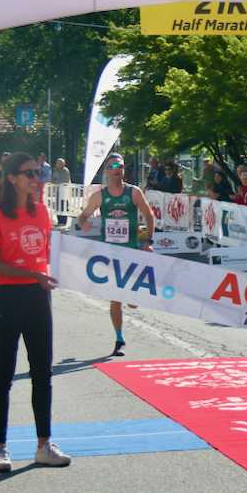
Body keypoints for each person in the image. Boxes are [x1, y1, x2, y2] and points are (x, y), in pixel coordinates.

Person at [0, 152, 70, 473]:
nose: (36, 177)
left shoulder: (43, 212)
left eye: (37, 172)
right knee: (3, 375)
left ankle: (44, 445)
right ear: (12, 178)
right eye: (29, 173)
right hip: (7, 298)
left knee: (42, 374)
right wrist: (34, 275)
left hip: (37, 298)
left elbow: (50, 254)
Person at [76, 153, 156, 356]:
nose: (117, 169)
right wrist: (83, 223)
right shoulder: (100, 196)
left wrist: (148, 241)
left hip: (130, 251)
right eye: (113, 166)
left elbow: (149, 214)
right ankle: (119, 338)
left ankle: (133, 297)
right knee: (115, 298)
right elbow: (83, 215)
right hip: (109, 254)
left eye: (120, 166)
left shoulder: (133, 192)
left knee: (133, 302)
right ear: (106, 171)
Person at [52, 158, 72, 225]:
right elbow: (52, 178)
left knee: (64, 205)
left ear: (64, 164)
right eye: (58, 163)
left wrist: (54, 182)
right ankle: (59, 221)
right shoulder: (55, 171)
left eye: (61, 163)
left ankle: (63, 222)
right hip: (57, 190)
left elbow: (63, 181)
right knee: (57, 205)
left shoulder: (65, 171)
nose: (59, 165)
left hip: (64, 190)